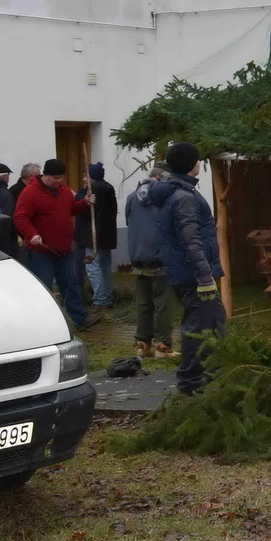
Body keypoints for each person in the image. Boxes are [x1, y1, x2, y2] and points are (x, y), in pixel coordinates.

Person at [148, 142, 225, 395]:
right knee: (199, 328)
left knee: (212, 322)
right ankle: (193, 381)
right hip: (194, 275)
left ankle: (213, 373)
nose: (200, 163)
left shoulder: (178, 192)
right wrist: (204, 277)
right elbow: (191, 241)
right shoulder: (183, 197)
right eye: (198, 160)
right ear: (191, 164)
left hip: (188, 272)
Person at [13, 158, 93, 329]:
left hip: (64, 250)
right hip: (41, 251)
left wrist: (84, 203)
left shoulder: (64, 190)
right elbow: (20, 217)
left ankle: (80, 319)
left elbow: (71, 209)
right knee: (44, 287)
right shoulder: (30, 192)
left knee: (71, 284)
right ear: (46, 175)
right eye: (55, 178)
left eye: (61, 177)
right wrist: (32, 234)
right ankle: (42, 323)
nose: (59, 181)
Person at [124, 164, 176, 359]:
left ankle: (143, 345)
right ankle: (162, 346)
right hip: (161, 257)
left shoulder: (132, 197)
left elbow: (129, 222)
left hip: (138, 256)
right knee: (163, 303)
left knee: (144, 303)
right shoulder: (166, 198)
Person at [78, 163, 118, 309]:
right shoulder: (108, 188)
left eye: (85, 176)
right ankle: (107, 296)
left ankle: (101, 299)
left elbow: (90, 212)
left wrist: (80, 201)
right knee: (105, 267)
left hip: (94, 235)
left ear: (92, 176)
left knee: (93, 268)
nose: (84, 179)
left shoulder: (93, 190)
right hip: (107, 235)